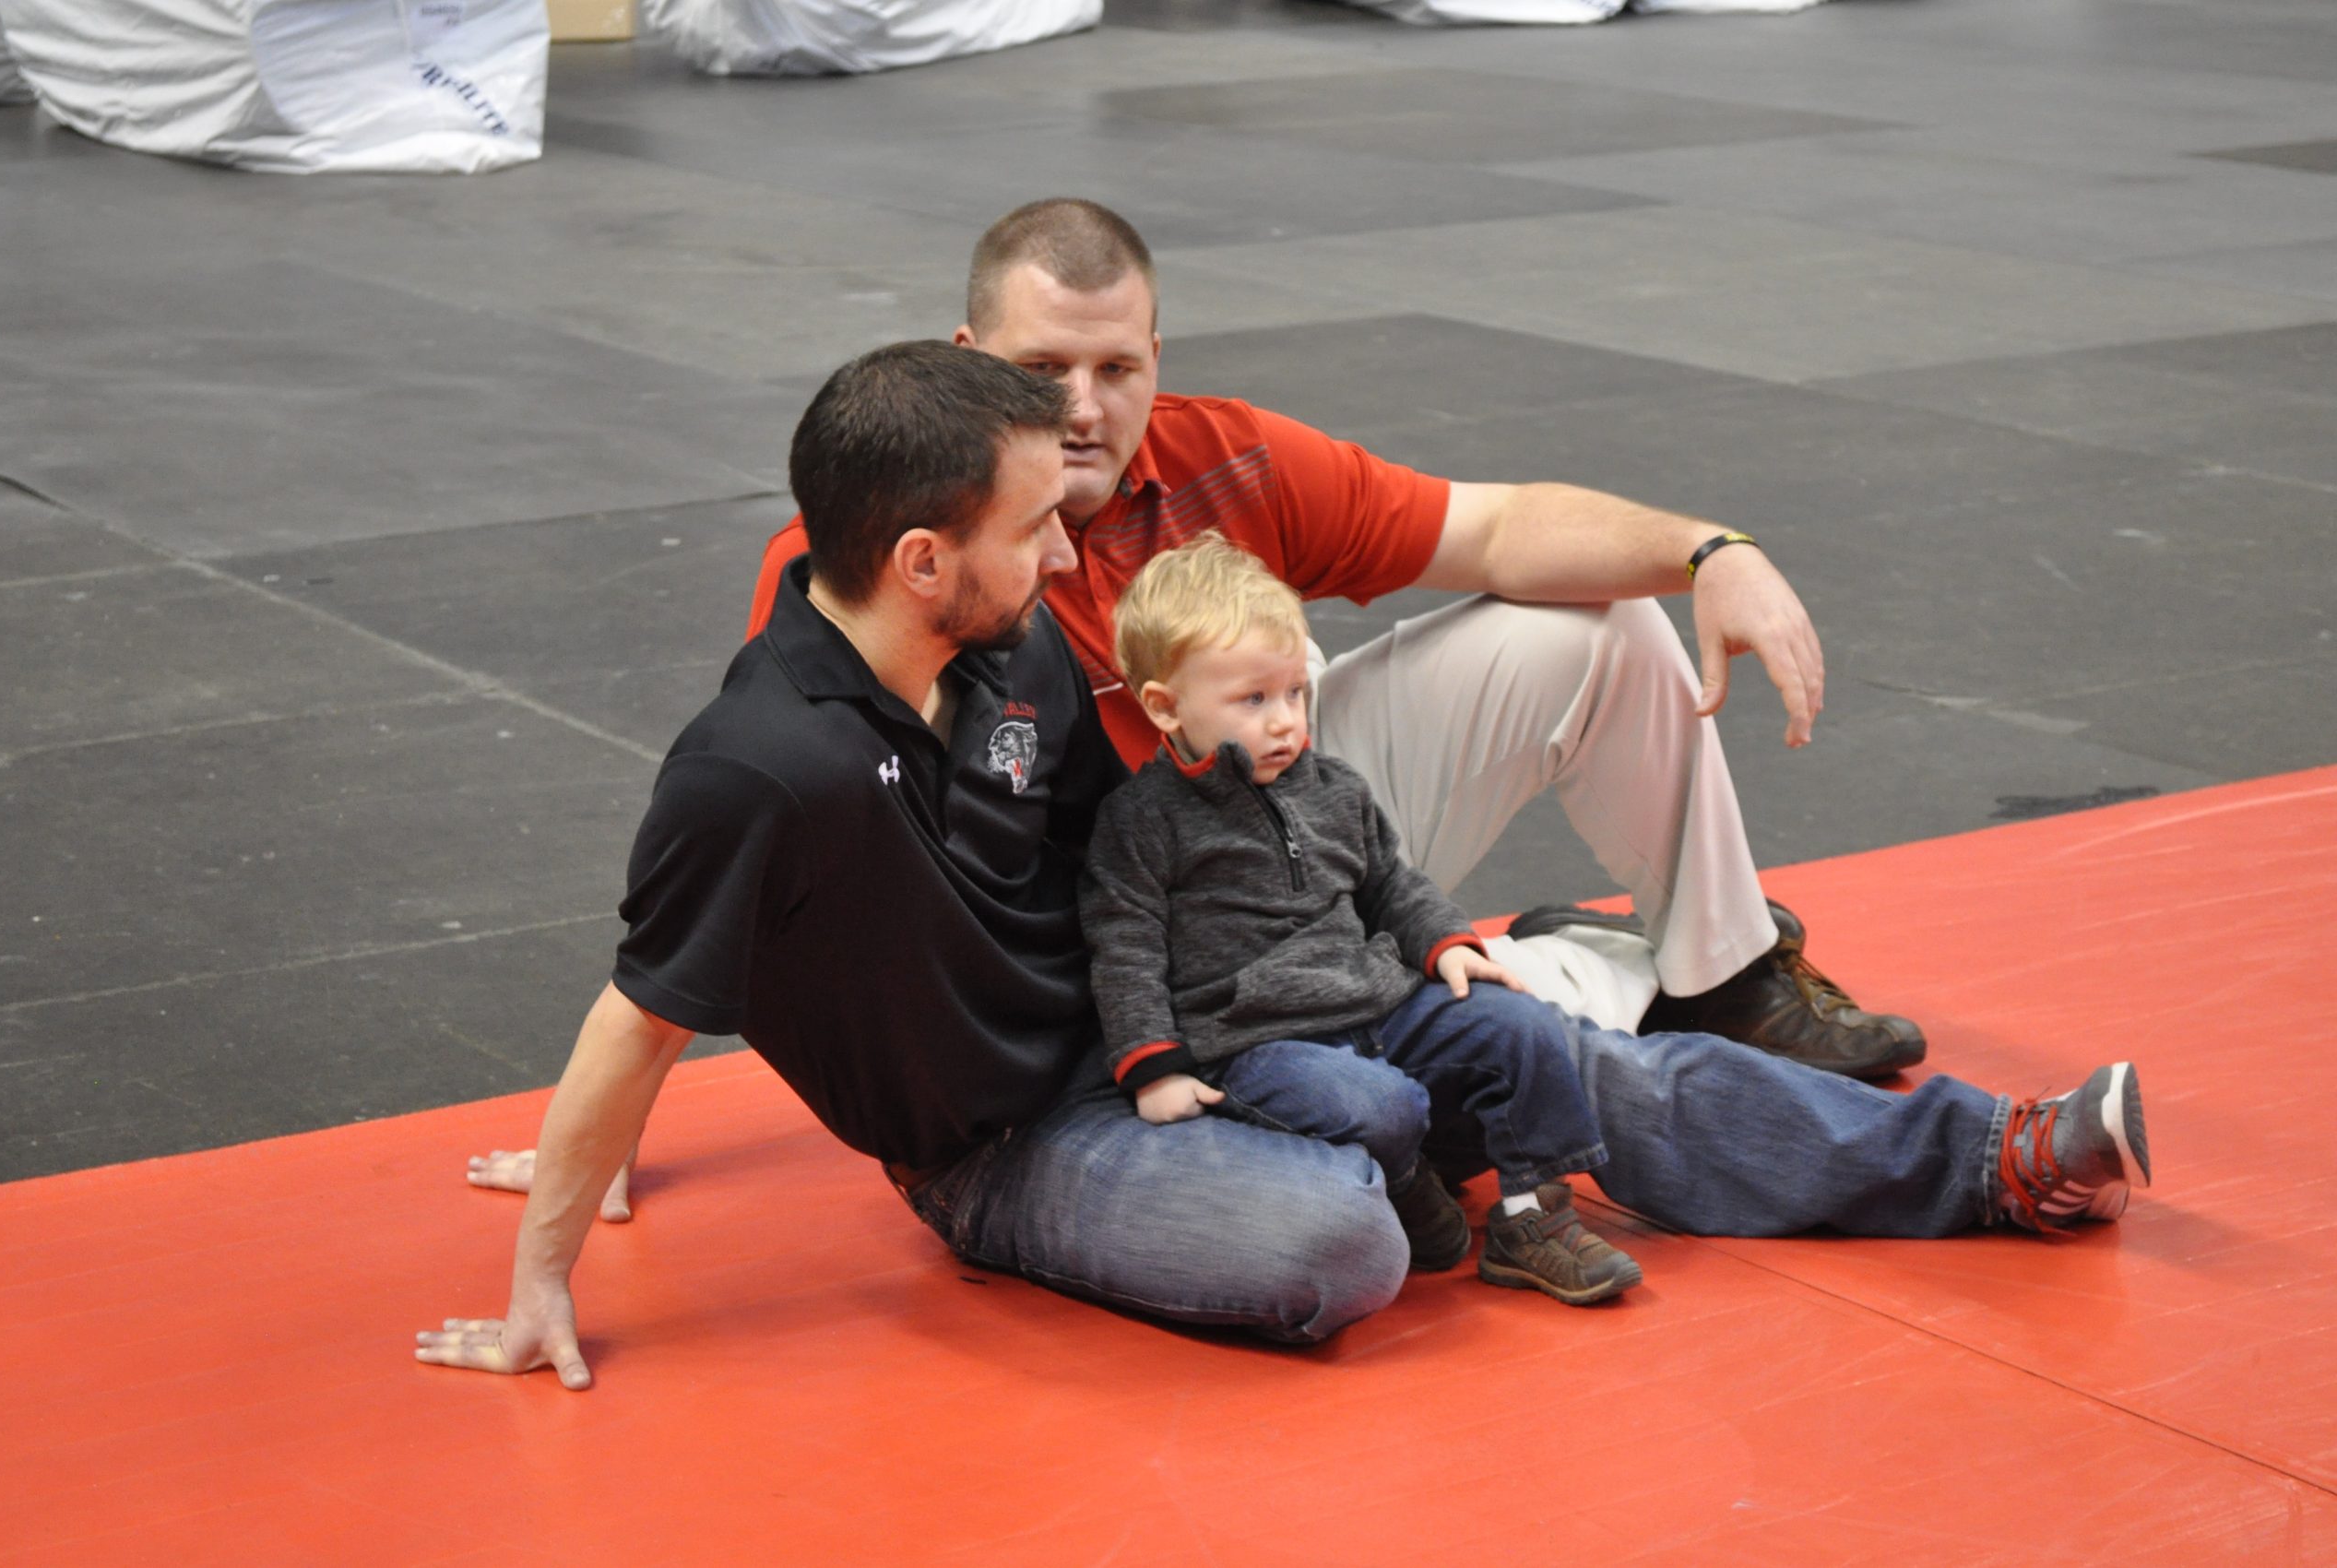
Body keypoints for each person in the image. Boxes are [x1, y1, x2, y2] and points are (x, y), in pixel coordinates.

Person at [420, 339, 2153, 1391]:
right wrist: (545, 1277)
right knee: (1338, 1247)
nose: (1068, 555)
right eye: (1035, 531)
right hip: (1010, 1145)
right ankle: (1495, 1060)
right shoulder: (763, 767)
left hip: (1190, 1021)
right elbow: (643, 1011)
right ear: (926, 559)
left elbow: (1153, 857)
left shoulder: (1007, 662)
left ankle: (1996, 1161)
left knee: (1538, 1062)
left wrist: (1368, 951)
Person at [745, 197, 1924, 1084]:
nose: (1083, 410)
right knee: (1408, 1079)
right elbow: (765, 815)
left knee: (1604, 624)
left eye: (1117, 368)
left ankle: (1722, 972)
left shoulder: (1226, 455)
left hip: (1290, 822)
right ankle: (1587, 969)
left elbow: (1498, 527)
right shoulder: (879, 547)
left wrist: (1713, 550)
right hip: (1121, 922)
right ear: (966, 359)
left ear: (1159, 357)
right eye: (1040, 370)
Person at [1082, 535, 1643, 1304]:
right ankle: (1406, 1182)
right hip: (1260, 1042)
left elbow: (1389, 882)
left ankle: (1530, 1220)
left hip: (1378, 1003)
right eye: (1253, 700)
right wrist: (1154, 1066)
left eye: (1294, 693)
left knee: (1524, 1028)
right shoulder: (1142, 821)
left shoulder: (1334, 788)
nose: (1285, 722)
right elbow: (1126, 947)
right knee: (1379, 1107)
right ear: (1164, 706)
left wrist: (1444, 942)